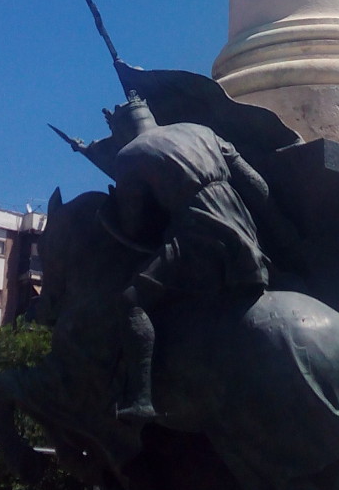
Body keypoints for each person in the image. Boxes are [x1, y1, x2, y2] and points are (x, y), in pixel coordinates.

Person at [78, 91, 272, 422]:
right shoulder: (200, 131)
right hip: (245, 230)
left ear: (122, 130)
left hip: (196, 235)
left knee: (131, 302)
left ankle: (140, 399)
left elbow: (134, 225)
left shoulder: (130, 155)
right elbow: (259, 188)